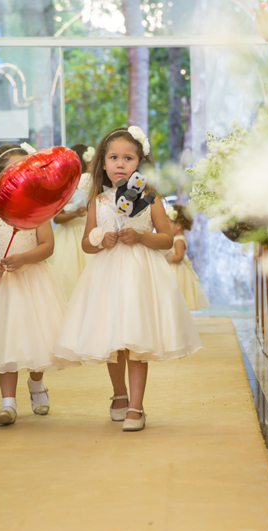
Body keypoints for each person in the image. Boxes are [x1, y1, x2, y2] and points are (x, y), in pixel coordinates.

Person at [55, 127, 202, 432]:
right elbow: (86, 242)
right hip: (107, 276)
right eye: (113, 157)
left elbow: (165, 240)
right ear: (103, 164)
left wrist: (140, 236)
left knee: (135, 338)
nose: (120, 163)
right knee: (112, 338)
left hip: (139, 276)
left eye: (128, 158)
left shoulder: (150, 198)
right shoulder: (98, 201)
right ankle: (119, 394)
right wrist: (100, 239)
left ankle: (137, 405)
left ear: (140, 163)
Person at [0, 145, 75, 425]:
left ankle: (36, 383)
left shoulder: (37, 214)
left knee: (39, 342)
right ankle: (7, 403)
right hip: (4, 289)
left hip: (34, 284)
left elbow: (47, 247)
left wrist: (23, 258)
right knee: (5, 343)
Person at [46, 143, 92, 298]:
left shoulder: (91, 183)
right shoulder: (65, 186)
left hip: (85, 232)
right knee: (68, 276)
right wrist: (76, 214)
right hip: (68, 236)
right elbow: (57, 218)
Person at [164, 203, 210, 311]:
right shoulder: (178, 238)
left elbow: (179, 257)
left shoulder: (179, 240)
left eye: (168, 224)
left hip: (176, 270)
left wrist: (166, 258)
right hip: (175, 269)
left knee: (176, 292)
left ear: (178, 225)